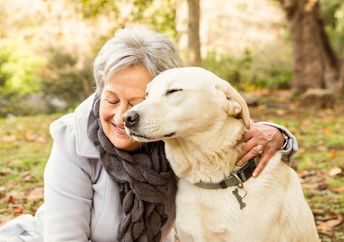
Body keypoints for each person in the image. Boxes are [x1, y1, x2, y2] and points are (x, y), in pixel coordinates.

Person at [0, 27, 297, 242]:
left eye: (136, 103)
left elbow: (224, 126)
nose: (123, 117)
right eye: (112, 99)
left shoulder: (179, 138)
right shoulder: (73, 139)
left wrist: (279, 135)